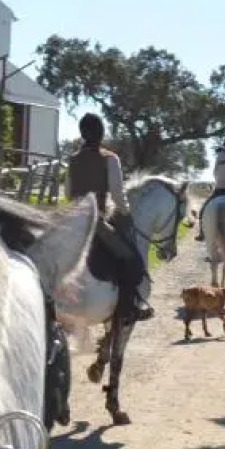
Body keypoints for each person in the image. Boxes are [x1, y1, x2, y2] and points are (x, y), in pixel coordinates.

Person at [65, 113, 154, 320]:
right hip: (96, 220)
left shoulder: (73, 159)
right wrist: (125, 211)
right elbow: (117, 194)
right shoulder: (109, 158)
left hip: (72, 219)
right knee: (130, 258)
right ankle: (130, 306)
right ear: (101, 133)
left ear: (82, 133)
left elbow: (69, 194)